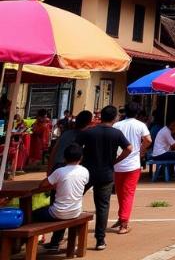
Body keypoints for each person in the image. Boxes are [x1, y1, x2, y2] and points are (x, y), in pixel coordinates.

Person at [76, 105, 132, 251]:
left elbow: (75, 147)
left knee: (75, 200)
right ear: (115, 118)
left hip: (86, 172)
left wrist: (80, 160)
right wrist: (117, 160)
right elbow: (129, 148)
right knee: (102, 206)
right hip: (106, 172)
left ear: (101, 116)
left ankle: (70, 234)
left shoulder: (89, 132)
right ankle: (100, 239)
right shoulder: (116, 133)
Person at [31, 143, 90, 251]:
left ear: (64, 158)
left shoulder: (60, 171)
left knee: (31, 214)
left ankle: (29, 242)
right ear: (81, 158)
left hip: (58, 212)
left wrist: (56, 185)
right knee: (60, 210)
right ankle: (54, 243)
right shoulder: (85, 171)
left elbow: (42, 185)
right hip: (75, 211)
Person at [112, 101, 152, 235]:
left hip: (118, 162)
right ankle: (124, 222)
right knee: (128, 193)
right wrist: (141, 150)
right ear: (138, 113)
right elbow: (148, 140)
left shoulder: (117, 125)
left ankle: (121, 216)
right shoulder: (140, 125)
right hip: (133, 164)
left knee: (120, 192)